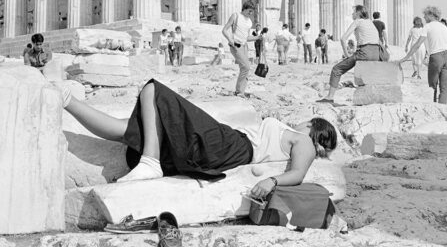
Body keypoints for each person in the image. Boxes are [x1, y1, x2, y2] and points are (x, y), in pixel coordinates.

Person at [60, 79, 338, 198]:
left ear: (313, 127)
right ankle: (66, 100)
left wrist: (272, 181)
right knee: (128, 130)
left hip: (231, 145)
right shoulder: (293, 137)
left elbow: (298, 174)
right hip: (226, 143)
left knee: (153, 89)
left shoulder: (305, 142)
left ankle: (151, 162)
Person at [319, 5, 388, 104]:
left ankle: (330, 97)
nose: (352, 14)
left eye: (353, 12)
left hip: (364, 53)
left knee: (337, 69)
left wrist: (347, 55)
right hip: (376, 53)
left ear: (358, 13)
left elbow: (343, 39)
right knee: (365, 75)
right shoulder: (370, 22)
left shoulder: (357, 21)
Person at [397, 6, 447, 104]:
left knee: (432, 86)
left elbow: (417, 44)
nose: (424, 17)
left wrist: (406, 57)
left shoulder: (428, 26)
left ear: (431, 15)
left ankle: (434, 108)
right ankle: (442, 108)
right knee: (444, 88)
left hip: (436, 56)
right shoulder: (445, 28)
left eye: (425, 15)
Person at [221, 0, 259, 96]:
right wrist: (230, 40)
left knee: (245, 68)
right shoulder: (236, 16)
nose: (251, 13)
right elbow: (224, 30)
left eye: (252, 11)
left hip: (244, 46)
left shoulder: (249, 22)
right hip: (236, 45)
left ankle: (241, 91)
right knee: (246, 66)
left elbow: (247, 37)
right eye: (249, 11)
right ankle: (239, 91)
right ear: (245, 8)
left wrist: (258, 37)